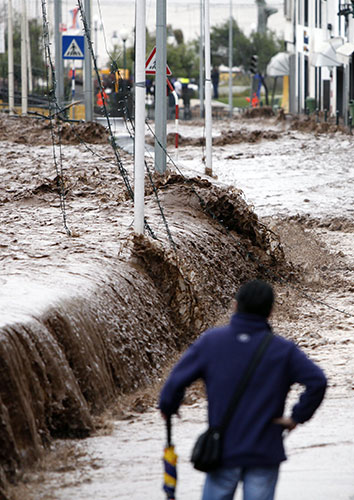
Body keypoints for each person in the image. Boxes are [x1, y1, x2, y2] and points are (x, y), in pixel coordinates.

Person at [159, 280, 327, 500]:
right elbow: (318, 381)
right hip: (265, 451)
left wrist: (169, 406)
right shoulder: (282, 350)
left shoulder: (211, 342)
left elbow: (175, 382)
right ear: (271, 311)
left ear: (235, 305)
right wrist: (297, 417)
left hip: (223, 451)